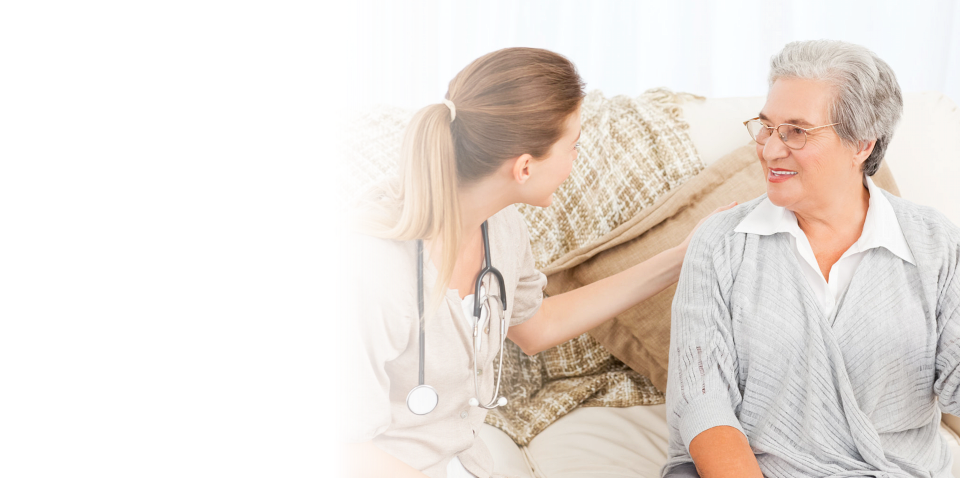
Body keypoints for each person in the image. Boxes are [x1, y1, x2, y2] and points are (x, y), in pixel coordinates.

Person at [335, 47, 732, 478]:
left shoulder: (501, 228)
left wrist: (679, 259)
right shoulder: (373, 270)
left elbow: (537, 327)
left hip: (461, 461)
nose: (574, 162)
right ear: (525, 167)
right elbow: (346, 454)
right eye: (573, 146)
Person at [662, 40, 960, 478]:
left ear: (861, 143)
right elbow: (703, 403)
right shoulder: (722, 242)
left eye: (797, 131)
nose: (770, 149)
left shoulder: (936, 244)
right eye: (766, 126)